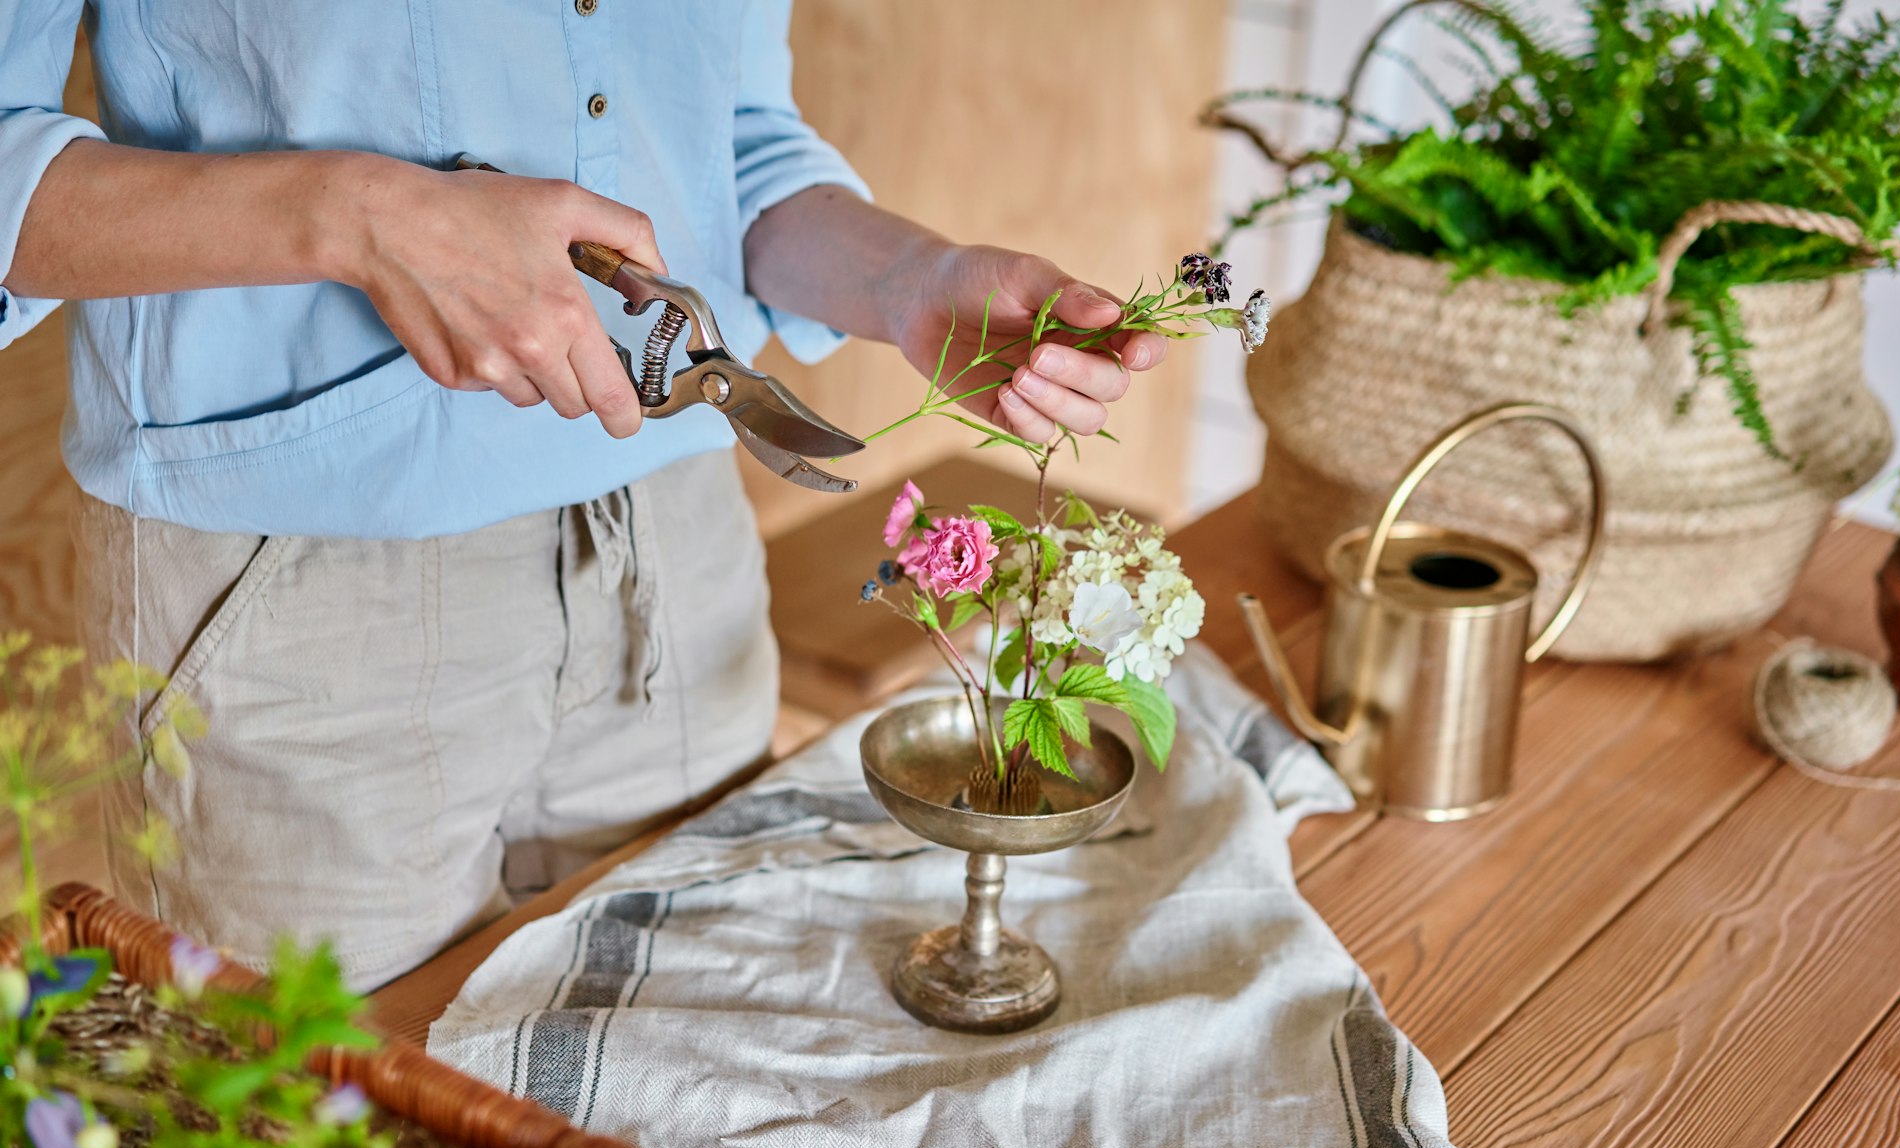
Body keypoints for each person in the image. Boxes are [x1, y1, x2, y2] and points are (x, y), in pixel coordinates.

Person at [0, 1, 1170, 991]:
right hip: (292, 600)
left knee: (678, 1138)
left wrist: (907, 279)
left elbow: (728, 142)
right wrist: (358, 217)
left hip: (673, 564)